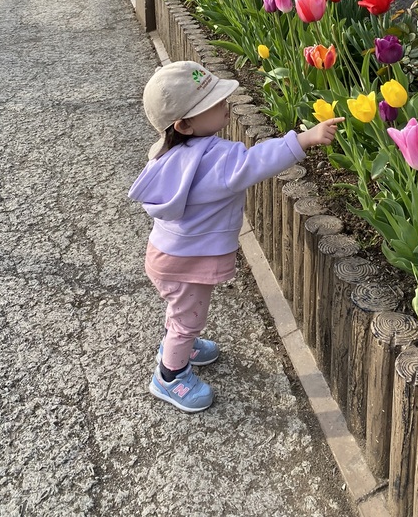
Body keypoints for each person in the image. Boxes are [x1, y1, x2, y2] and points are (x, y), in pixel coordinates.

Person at [128, 60, 344, 413]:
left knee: (182, 311)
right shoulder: (216, 160)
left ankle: (181, 343)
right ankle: (169, 375)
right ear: (184, 124)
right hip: (186, 262)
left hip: (166, 254)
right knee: (187, 318)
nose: (224, 103)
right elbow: (257, 161)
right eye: (213, 102)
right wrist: (305, 138)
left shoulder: (168, 154)